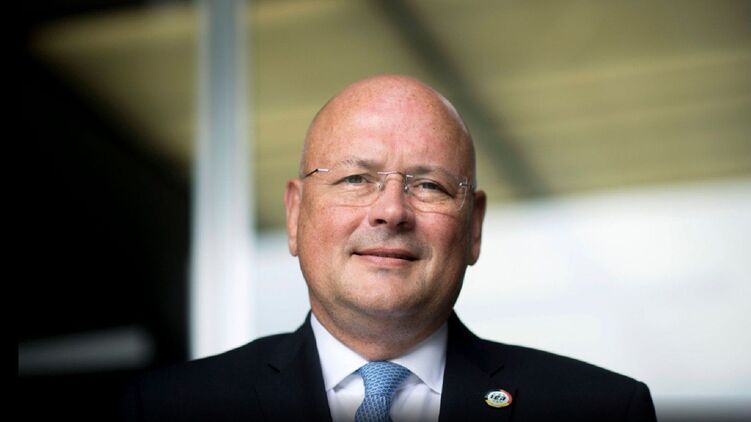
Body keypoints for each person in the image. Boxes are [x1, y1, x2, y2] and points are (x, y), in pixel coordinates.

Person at [121, 75, 657, 421]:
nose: (392, 211)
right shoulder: (164, 410)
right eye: (356, 179)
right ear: (294, 214)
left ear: (473, 227)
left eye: (430, 185)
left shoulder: (603, 410)